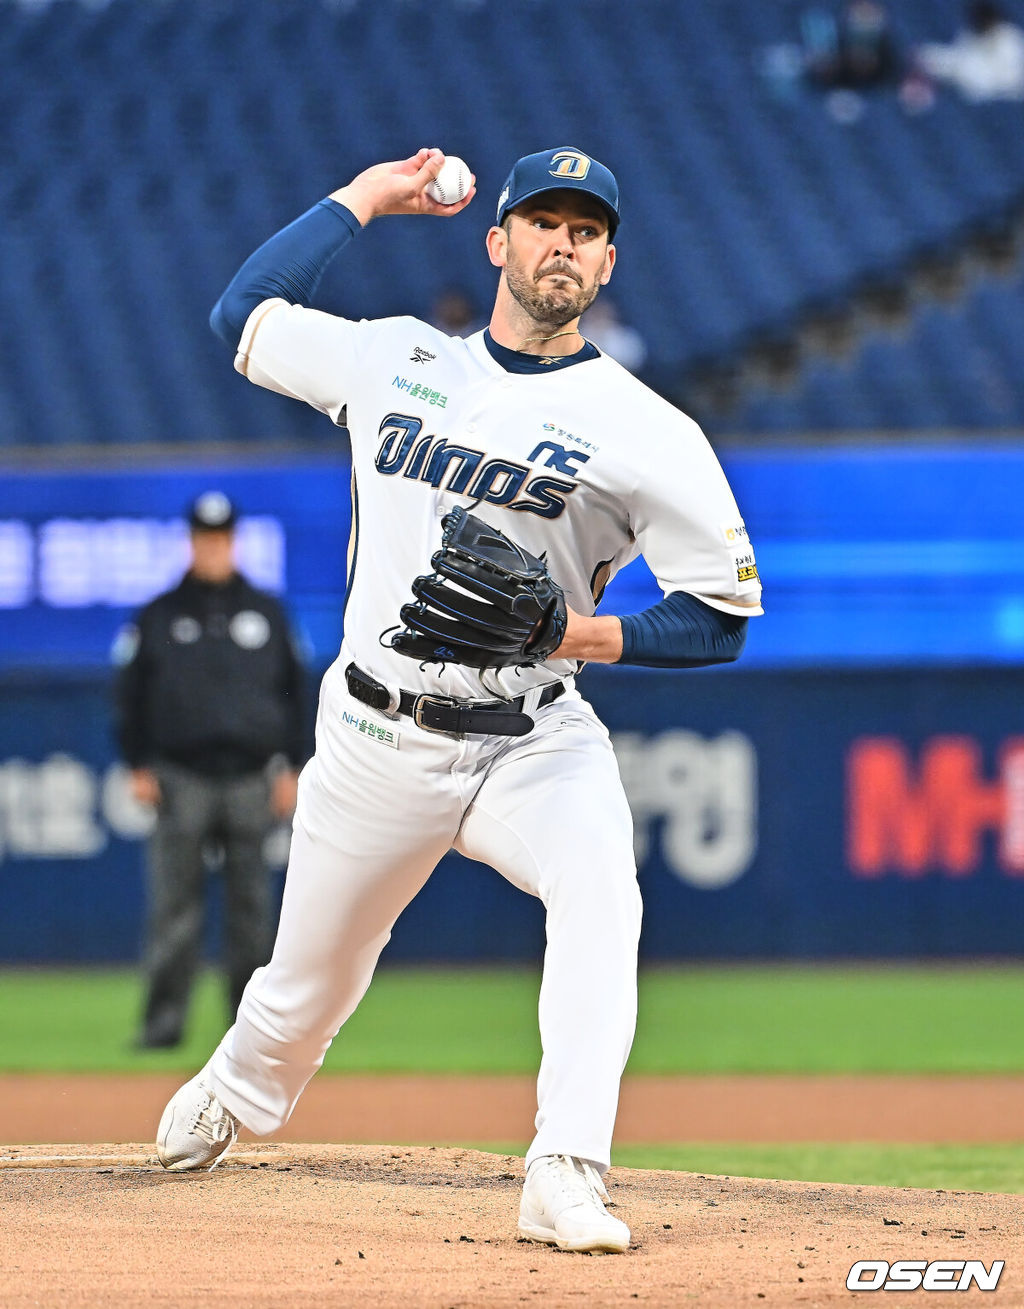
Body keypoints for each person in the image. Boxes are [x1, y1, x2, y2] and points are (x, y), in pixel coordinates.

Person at [155, 147, 763, 1253]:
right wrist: (367, 198)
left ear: (608, 260)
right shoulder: (396, 358)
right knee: (306, 991)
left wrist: (573, 631)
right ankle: (239, 1084)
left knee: (601, 890)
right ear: (498, 241)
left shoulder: (648, 431)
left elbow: (719, 616)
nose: (562, 244)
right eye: (543, 222)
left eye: (585, 230)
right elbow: (242, 312)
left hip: (530, 734)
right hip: (375, 732)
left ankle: (566, 1167)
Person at [114, 491, 306, 1048]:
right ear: (192, 542)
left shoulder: (268, 612)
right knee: (174, 910)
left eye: (221, 539)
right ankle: (162, 1026)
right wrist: (137, 763)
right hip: (181, 776)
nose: (213, 548)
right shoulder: (160, 614)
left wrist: (292, 766)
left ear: (233, 542)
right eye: (204, 538)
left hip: (251, 776)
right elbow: (130, 695)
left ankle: (249, 1033)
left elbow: (295, 694)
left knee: (252, 913)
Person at [916, 1, 1024, 102]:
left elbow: (1004, 80)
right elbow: (957, 59)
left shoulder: (1010, 40)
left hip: (990, 93)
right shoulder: (970, 37)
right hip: (970, 86)